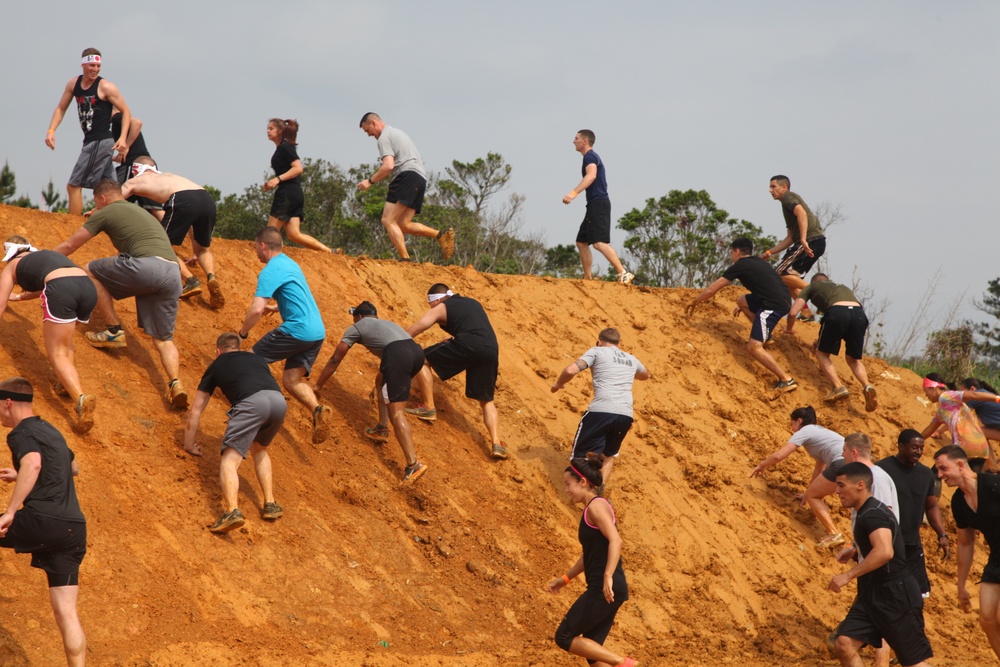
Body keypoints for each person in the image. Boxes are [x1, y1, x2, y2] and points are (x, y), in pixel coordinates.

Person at [52, 178, 188, 410]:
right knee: (164, 339)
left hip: (146, 267)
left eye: (96, 202)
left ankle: (113, 330)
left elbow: (70, 245)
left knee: (89, 271)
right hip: (173, 272)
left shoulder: (106, 211)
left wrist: (44, 260)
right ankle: (176, 383)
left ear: (102, 199)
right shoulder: (138, 211)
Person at [0, 377, 87, 666]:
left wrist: (11, 510)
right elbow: (71, 467)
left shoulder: (20, 433)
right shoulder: (51, 430)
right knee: (67, 612)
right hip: (73, 529)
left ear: (7, 402)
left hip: (42, 520)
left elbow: (34, 462)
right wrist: (21, 474)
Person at [828, 462, 933, 667]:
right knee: (844, 643)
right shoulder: (869, 511)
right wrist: (856, 549)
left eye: (841, 485)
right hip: (872, 593)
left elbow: (885, 551)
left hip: (895, 595)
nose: (836, 491)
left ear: (860, 485)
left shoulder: (873, 513)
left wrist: (847, 575)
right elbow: (883, 542)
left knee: (913, 663)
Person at [314, 301, 429, 483]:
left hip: (397, 355)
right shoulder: (387, 324)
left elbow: (336, 358)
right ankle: (382, 428)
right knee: (380, 380)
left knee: (397, 412)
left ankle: (413, 464)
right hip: (415, 352)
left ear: (359, 316)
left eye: (354, 317)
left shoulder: (357, 327)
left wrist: (317, 386)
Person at [184, 332, 287, 533]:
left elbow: (196, 409)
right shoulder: (257, 359)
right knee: (260, 449)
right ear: (239, 347)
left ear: (218, 351)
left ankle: (232, 511)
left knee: (230, 460)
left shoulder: (217, 365)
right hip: (278, 401)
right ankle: (270, 503)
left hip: (252, 403)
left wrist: (188, 444)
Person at [239, 226, 330, 444]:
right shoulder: (290, 263)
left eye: (255, 247)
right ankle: (317, 409)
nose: (255, 252)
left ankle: (257, 410)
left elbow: (256, 310)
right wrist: (278, 307)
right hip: (316, 332)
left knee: (249, 362)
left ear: (263, 245)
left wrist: (242, 334)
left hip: (297, 330)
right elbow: (298, 293)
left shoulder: (270, 271)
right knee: (291, 380)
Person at [0, 238, 98, 434]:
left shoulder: (12, 266)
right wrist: (19, 297)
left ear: (9, 252)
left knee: (57, 352)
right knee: (66, 343)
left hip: (62, 288)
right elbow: (50, 281)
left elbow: (1, 306)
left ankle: (80, 398)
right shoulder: (45, 256)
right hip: (87, 287)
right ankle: (65, 383)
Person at [547, 455, 636, 667]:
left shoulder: (596, 507)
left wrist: (607, 577)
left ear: (583, 482)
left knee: (564, 637)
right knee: (593, 654)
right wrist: (565, 578)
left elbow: (616, 540)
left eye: (568, 484)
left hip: (603, 589)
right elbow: (589, 555)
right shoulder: (591, 509)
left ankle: (622, 662)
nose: (567, 489)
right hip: (611, 589)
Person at [406, 283, 506, 459]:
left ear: (436, 300)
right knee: (486, 400)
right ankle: (497, 443)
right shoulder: (472, 302)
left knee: (420, 359)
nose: (431, 308)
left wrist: (393, 343)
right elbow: (473, 326)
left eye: (430, 305)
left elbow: (417, 328)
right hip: (491, 350)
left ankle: (428, 407)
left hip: (469, 344)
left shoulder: (441, 307)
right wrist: (455, 339)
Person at [685, 237, 797, 393]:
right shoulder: (759, 262)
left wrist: (695, 301)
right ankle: (767, 337)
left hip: (773, 306)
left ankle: (786, 379)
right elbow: (765, 285)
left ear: (736, 251)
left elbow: (712, 290)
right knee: (742, 301)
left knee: (753, 347)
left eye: (732, 252)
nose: (732, 256)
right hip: (782, 299)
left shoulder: (739, 266)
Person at [551, 328, 649, 486]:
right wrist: (628, 372)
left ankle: (582, 490)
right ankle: (598, 490)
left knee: (579, 456)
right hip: (625, 415)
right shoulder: (631, 358)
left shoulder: (597, 351)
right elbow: (645, 375)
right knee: (608, 455)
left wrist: (558, 384)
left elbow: (570, 370)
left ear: (599, 341)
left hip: (601, 411)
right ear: (619, 344)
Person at [122, 156, 224, 308]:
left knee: (161, 246)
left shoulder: (134, 181)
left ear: (135, 169)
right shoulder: (168, 176)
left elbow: (113, 199)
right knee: (202, 250)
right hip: (206, 198)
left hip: (183, 199)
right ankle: (211, 276)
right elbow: (193, 212)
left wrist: (96, 210)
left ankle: (190, 280)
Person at [45, 48, 131, 217]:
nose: (95, 69)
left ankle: (73, 227)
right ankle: (121, 222)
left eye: (98, 66)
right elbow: (61, 108)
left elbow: (126, 112)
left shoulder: (105, 87)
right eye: (92, 65)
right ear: (83, 65)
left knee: (74, 186)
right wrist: (51, 130)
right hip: (91, 140)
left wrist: (122, 138)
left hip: (99, 141)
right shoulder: (74, 84)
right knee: (111, 189)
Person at [357, 113, 454, 262]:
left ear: (373, 124)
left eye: (367, 130)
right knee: (403, 224)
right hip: (420, 178)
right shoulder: (397, 132)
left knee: (387, 220)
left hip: (406, 176)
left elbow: (389, 165)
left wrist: (370, 181)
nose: (369, 135)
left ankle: (405, 259)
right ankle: (440, 234)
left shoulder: (384, 138)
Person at [935, 444, 1000, 660]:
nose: (939, 475)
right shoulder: (958, 501)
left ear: (961, 465)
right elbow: (965, 543)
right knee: (987, 619)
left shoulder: (994, 485)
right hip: (997, 558)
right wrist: (961, 584)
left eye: (943, 468)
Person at [750, 406, 847, 547]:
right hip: (857, 466)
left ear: (799, 421)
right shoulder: (820, 432)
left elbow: (779, 456)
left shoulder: (805, 430)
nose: (792, 428)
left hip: (841, 464)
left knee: (814, 496)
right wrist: (807, 493)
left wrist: (762, 465)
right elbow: (820, 467)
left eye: (792, 424)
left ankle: (833, 533)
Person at [786, 273, 877, 410]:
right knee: (853, 359)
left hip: (837, 313)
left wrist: (789, 329)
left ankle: (838, 386)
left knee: (822, 353)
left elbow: (793, 312)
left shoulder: (811, 287)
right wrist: (820, 339)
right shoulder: (840, 288)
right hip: (859, 315)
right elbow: (836, 320)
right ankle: (867, 385)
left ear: (815, 281)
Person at [876, 430, 949, 598]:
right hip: (887, 543)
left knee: (916, 593)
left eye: (921, 448)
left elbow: (931, 507)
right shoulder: (882, 469)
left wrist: (942, 535)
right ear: (900, 446)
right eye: (914, 447)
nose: (918, 452)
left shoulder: (926, 475)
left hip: (912, 545)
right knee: (879, 589)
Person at [561, 130, 633, 284]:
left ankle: (623, 273)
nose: (574, 141)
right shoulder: (589, 157)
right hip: (593, 204)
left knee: (599, 243)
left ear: (585, 141)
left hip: (599, 203)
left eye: (576, 138)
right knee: (581, 242)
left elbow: (591, 175)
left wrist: (574, 193)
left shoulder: (590, 156)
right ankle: (587, 278)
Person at [262, 118, 333, 253]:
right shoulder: (282, 148)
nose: (268, 131)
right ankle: (329, 251)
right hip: (295, 193)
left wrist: (278, 179)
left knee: (270, 233)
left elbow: (298, 168)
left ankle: (277, 261)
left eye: (271, 128)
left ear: (280, 131)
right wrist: (273, 182)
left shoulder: (285, 147)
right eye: (267, 128)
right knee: (294, 234)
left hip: (287, 193)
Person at [762, 175, 825, 321]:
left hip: (810, 240)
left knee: (779, 274)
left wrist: (803, 239)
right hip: (815, 241)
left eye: (773, 187)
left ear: (784, 187)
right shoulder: (786, 206)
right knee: (788, 279)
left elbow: (801, 213)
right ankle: (806, 314)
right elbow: (790, 238)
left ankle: (822, 293)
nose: (770, 190)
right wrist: (769, 252)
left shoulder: (788, 197)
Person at [920, 373, 999, 472]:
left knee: (937, 470)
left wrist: (998, 398)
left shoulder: (947, 396)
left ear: (934, 388)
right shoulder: (942, 410)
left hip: (964, 446)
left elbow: (974, 394)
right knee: (972, 483)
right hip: (980, 448)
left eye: (926, 391)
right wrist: (917, 439)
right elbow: (930, 429)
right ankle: (993, 474)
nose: (925, 395)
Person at [959, 377, 1000, 442]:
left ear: (972, 389)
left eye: (962, 392)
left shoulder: (976, 396)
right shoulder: (986, 394)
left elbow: (958, 416)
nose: (961, 396)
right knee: (981, 432)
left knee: (974, 434)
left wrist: (939, 431)